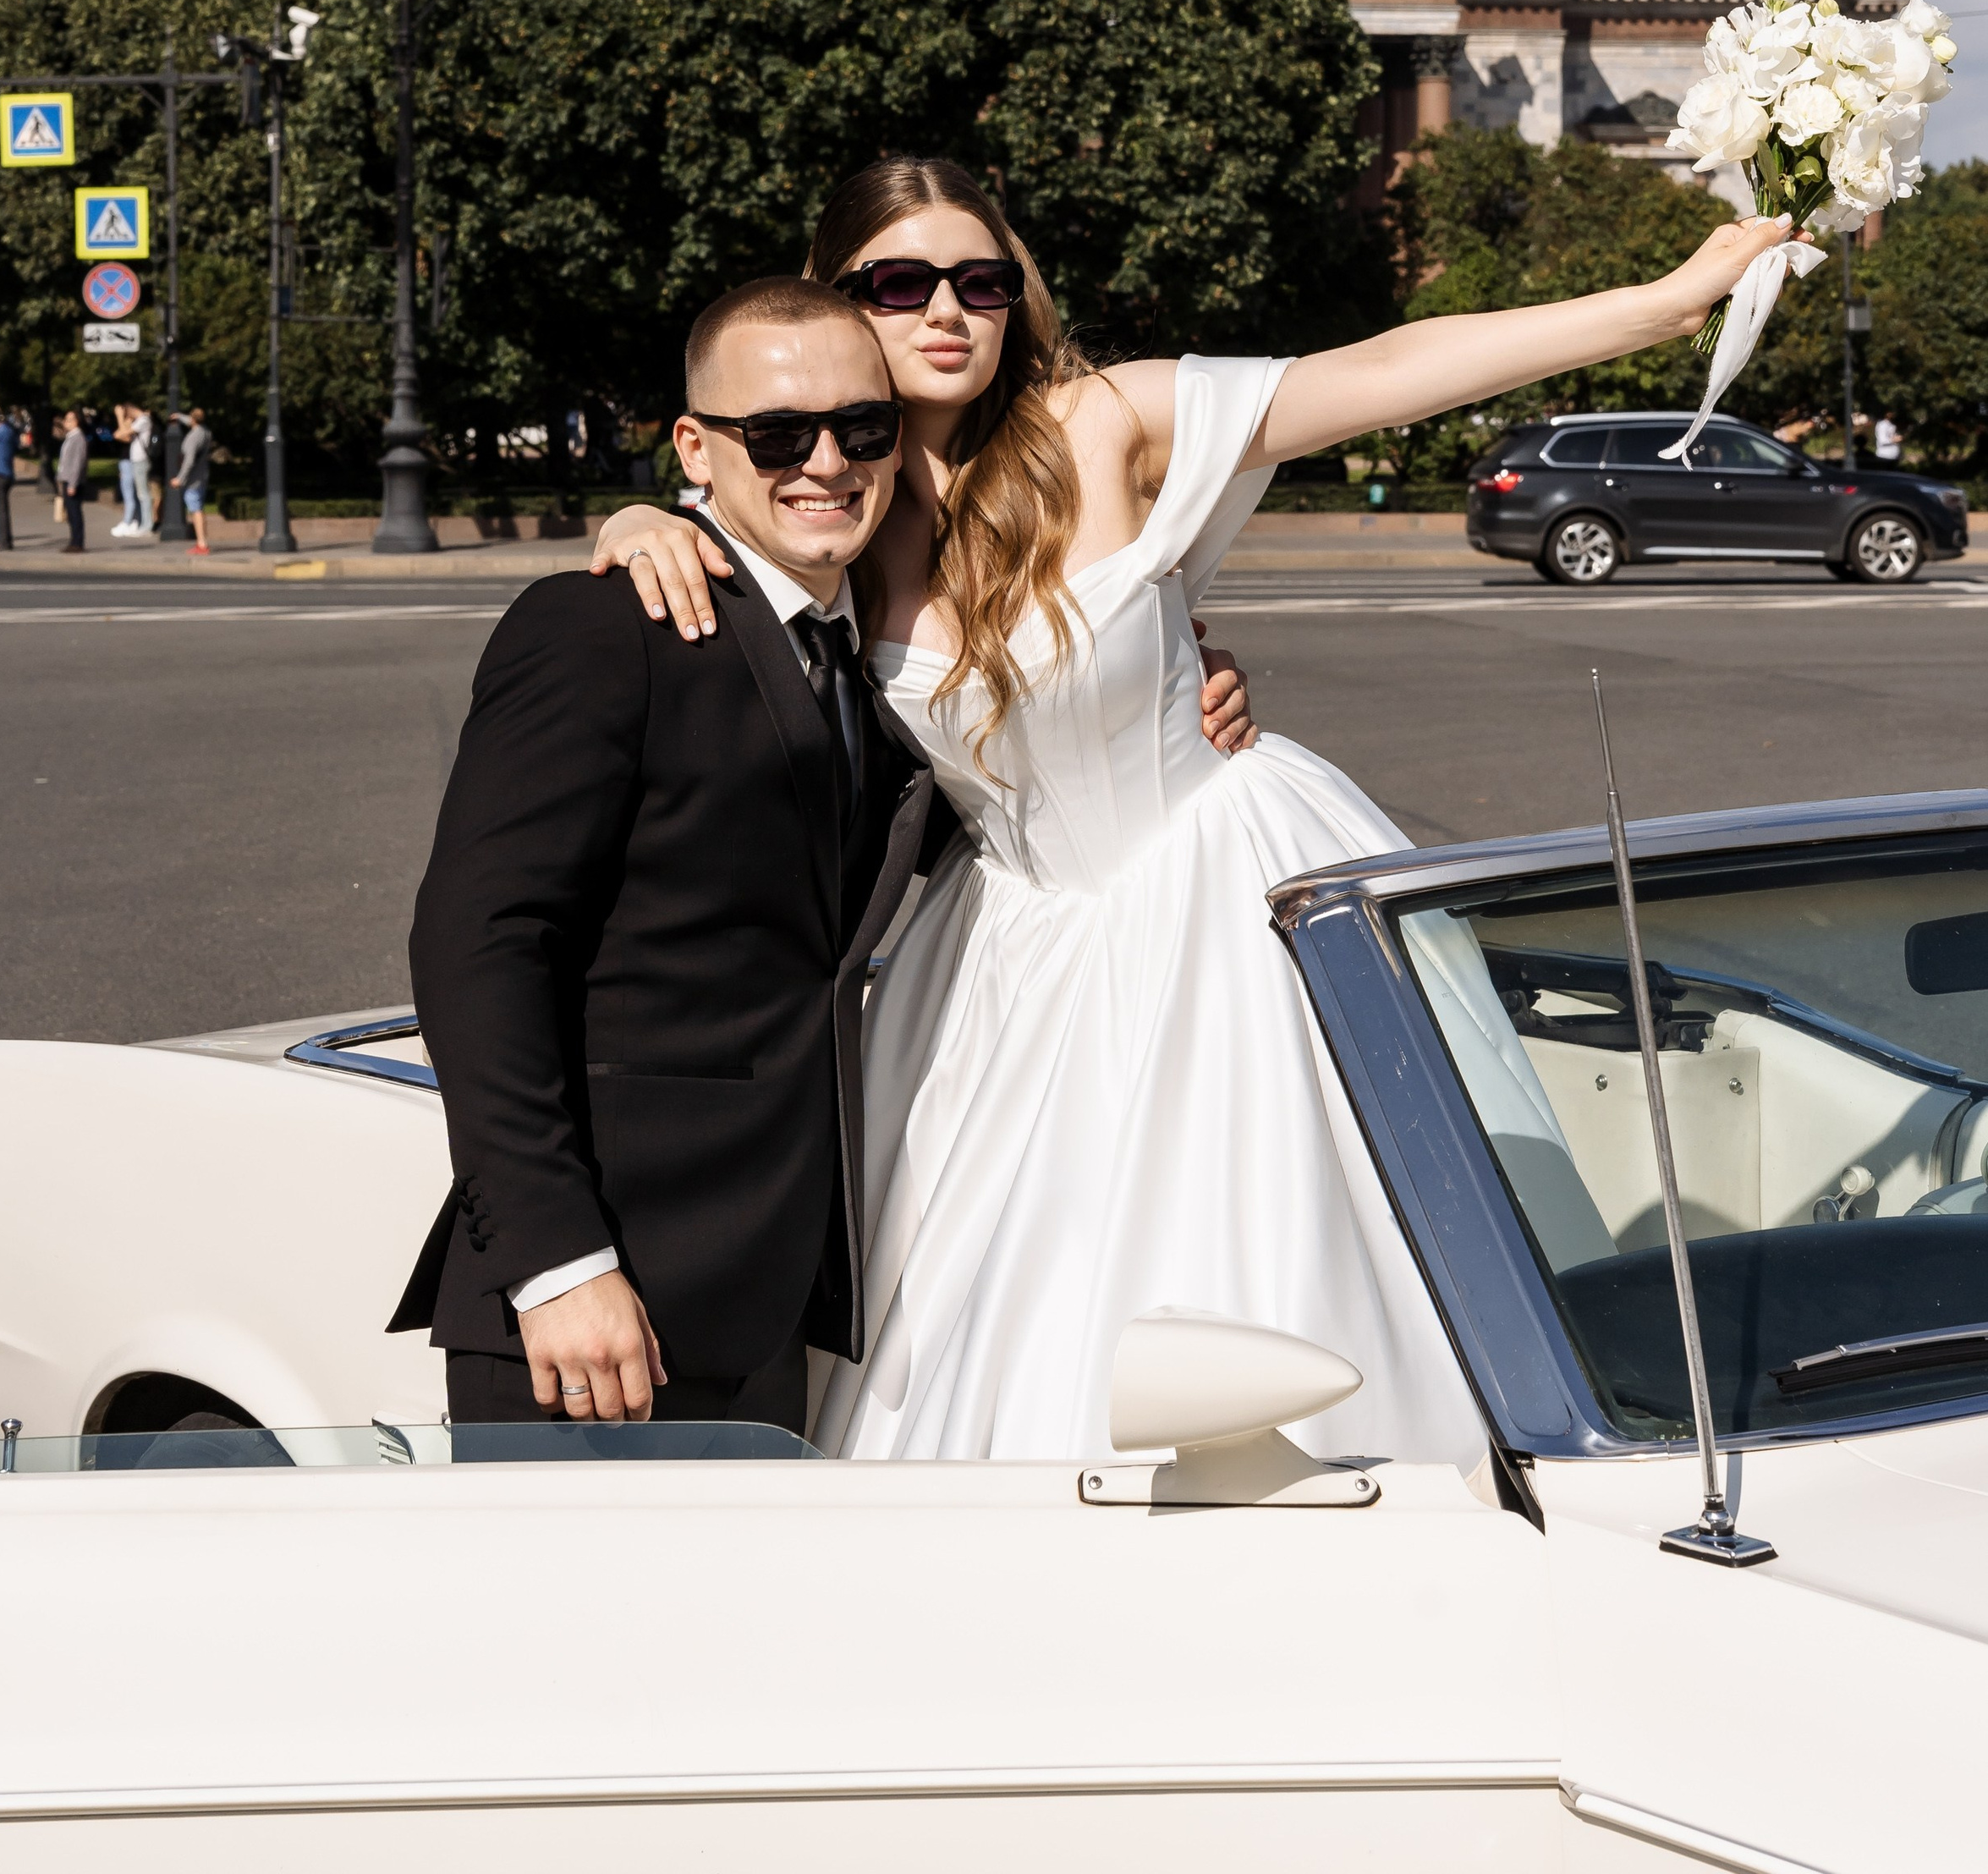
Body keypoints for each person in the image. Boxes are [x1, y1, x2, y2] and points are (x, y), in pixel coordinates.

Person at [595, 154, 1788, 1465]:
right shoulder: (830, 512)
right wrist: (641, 518)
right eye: (902, 282)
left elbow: (1379, 367)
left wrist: (1665, 304)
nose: (948, 310)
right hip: (1008, 952)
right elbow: (718, 514)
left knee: (1273, 1253)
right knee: (998, 1306)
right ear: (839, 303)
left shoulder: (1103, 422)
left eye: (981, 280)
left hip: (1227, 898)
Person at [393, 278, 944, 1432]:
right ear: (696, 446)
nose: (827, 463)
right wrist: (555, 1263)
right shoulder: (600, 628)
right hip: (598, 1317)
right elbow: (479, 942)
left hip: (773, 1296)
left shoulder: (864, 656)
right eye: (780, 435)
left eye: (863, 429)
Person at [0, 405, 30, 551]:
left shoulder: (0, 431)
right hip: (7, 473)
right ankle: (6, 540)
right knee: (3, 509)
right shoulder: (8, 431)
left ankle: (4, 543)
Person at [113, 404, 152, 538]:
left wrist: (119, 417)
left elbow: (122, 434)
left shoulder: (143, 421)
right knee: (140, 494)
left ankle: (146, 525)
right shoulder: (142, 421)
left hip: (141, 460)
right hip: (137, 461)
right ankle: (142, 523)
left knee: (143, 494)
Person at [177, 406, 213, 555]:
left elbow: (189, 460)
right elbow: (191, 421)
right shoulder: (205, 432)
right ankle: (202, 542)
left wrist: (180, 478)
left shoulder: (193, 437)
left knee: (195, 509)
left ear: (193, 420)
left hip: (193, 479)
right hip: (202, 475)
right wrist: (178, 416)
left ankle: (202, 544)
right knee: (199, 507)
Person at [56, 409, 89, 553]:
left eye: (68, 419)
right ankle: (74, 541)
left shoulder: (78, 438)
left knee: (74, 512)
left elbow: (77, 463)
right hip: (67, 480)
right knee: (70, 512)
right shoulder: (70, 437)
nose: (65, 422)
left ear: (76, 422)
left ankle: (77, 542)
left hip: (72, 482)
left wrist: (73, 484)